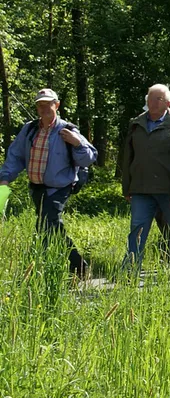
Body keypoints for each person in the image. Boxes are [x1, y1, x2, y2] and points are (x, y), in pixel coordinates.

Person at [0, 89, 97, 276]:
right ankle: (74, 266)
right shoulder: (29, 129)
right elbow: (15, 155)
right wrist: (5, 178)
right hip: (36, 188)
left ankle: (44, 268)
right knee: (51, 226)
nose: (43, 108)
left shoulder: (67, 130)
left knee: (46, 224)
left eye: (48, 103)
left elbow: (89, 158)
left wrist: (78, 143)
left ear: (57, 105)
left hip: (59, 187)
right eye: (39, 104)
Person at [121, 84, 170, 270]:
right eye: (150, 98)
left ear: (167, 103)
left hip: (169, 191)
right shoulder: (136, 124)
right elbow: (128, 156)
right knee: (137, 231)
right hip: (140, 189)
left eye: (157, 99)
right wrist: (127, 187)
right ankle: (130, 270)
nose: (152, 102)